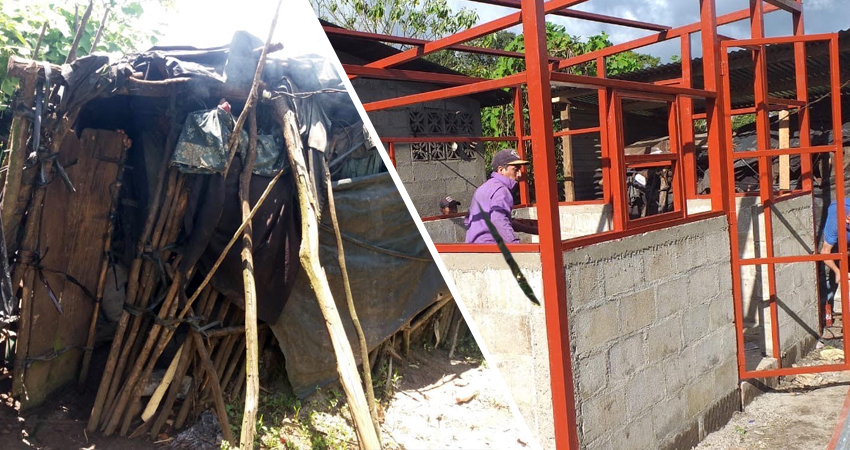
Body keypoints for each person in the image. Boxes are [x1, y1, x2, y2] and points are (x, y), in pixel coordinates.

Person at [465, 148, 538, 244]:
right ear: (501, 170)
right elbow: (499, 219)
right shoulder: (502, 191)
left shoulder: (484, 188)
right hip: (491, 249)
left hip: (473, 248)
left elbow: (467, 220)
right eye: (515, 170)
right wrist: (515, 245)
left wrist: (531, 229)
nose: (519, 174)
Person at [819, 198, 850, 328]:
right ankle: (826, 318)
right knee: (827, 277)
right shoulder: (836, 220)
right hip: (835, 244)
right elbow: (825, 252)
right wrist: (838, 271)